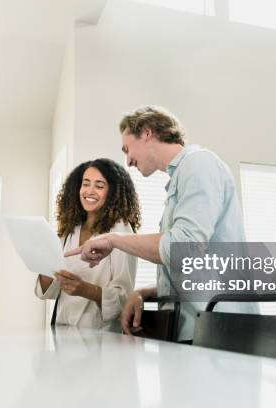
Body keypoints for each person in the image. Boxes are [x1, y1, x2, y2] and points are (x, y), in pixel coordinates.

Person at [66, 106, 255, 342]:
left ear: (146, 133)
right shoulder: (181, 178)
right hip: (194, 327)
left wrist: (112, 240)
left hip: (218, 331)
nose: (128, 161)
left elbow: (181, 249)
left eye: (127, 149)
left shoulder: (199, 165)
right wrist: (143, 292)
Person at [35, 158, 140, 331]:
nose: (89, 191)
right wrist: (43, 262)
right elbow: (49, 291)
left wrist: (85, 289)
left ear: (113, 192)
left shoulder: (121, 230)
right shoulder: (70, 229)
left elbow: (124, 298)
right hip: (63, 333)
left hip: (100, 338)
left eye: (99, 186)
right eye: (86, 184)